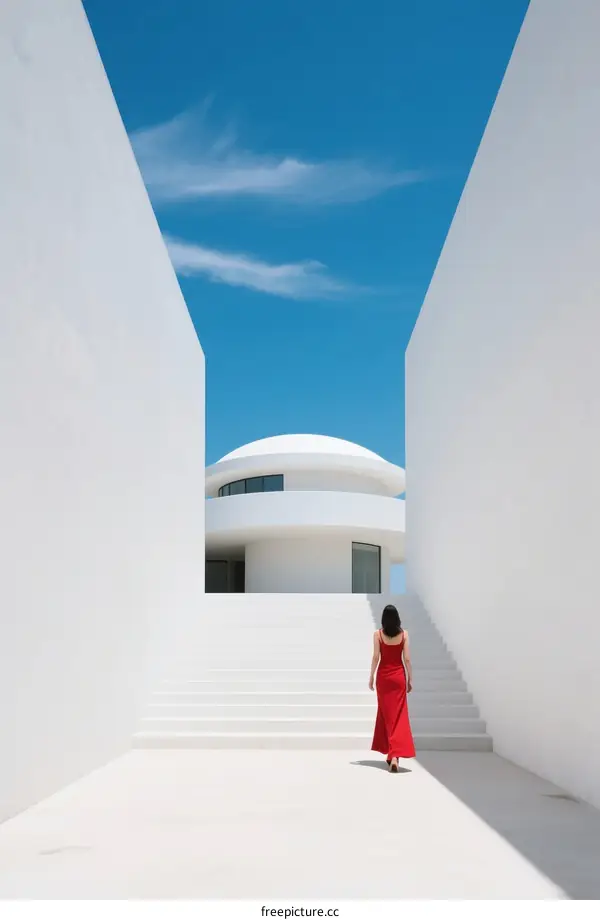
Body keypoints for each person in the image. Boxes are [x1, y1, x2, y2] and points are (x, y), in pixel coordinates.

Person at [369, 604, 416, 771]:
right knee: (398, 716)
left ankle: (392, 754)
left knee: (386, 716)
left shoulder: (378, 635)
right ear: (397, 618)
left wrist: (371, 676)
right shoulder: (404, 635)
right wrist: (410, 678)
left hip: (383, 678)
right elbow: (407, 659)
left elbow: (376, 657)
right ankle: (394, 755)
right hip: (398, 678)